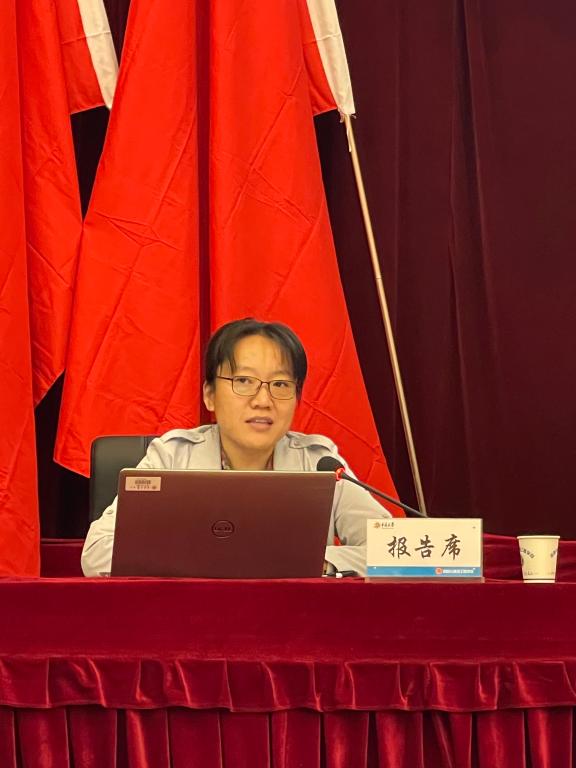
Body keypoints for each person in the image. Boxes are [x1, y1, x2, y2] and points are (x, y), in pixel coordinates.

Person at [81, 318, 392, 576]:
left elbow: (394, 551)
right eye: (243, 381)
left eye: (280, 384)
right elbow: (97, 553)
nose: (263, 400)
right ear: (210, 395)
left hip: (293, 623)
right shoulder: (172, 457)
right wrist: (230, 556)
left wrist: (316, 561)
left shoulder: (319, 463)